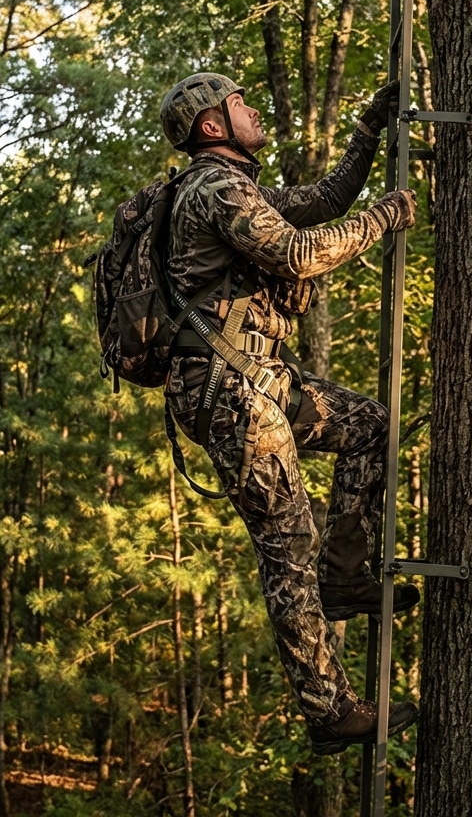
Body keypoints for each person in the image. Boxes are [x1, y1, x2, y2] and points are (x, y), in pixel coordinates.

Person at [160, 72, 420, 755]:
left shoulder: (237, 188)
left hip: (259, 380)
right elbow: (300, 256)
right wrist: (384, 219)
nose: (251, 109)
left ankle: (345, 575)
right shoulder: (213, 190)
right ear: (212, 127)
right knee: (287, 542)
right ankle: (329, 709)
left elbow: (324, 200)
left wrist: (368, 129)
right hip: (229, 391)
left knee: (369, 427)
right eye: (238, 103)